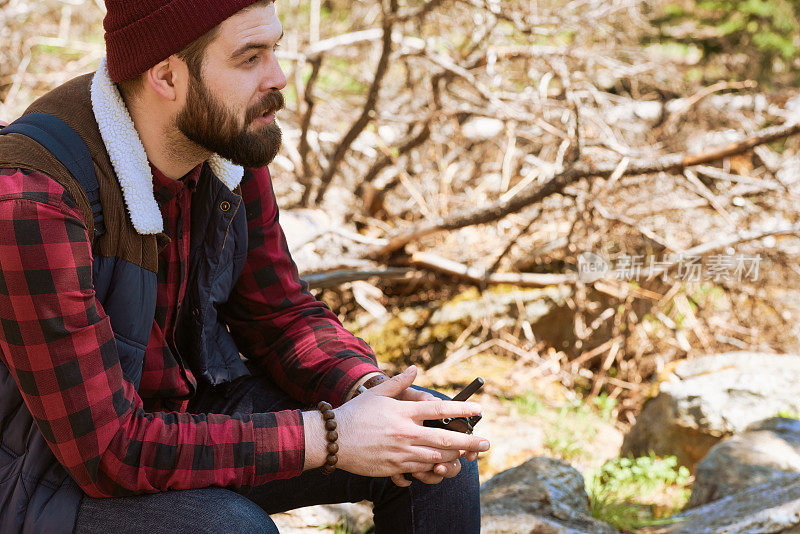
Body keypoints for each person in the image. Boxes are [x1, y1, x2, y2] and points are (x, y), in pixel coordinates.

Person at [0, 1, 489, 532]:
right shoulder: (34, 198)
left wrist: (364, 390)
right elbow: (109, 451)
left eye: (273, 50)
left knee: (432, 447)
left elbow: (280, 315)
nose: (278, 77)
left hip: (185, 415)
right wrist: (330, 437)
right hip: (45, 471)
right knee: (230, 527)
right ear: (167, 74)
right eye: (250, 57)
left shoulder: (223, 145)